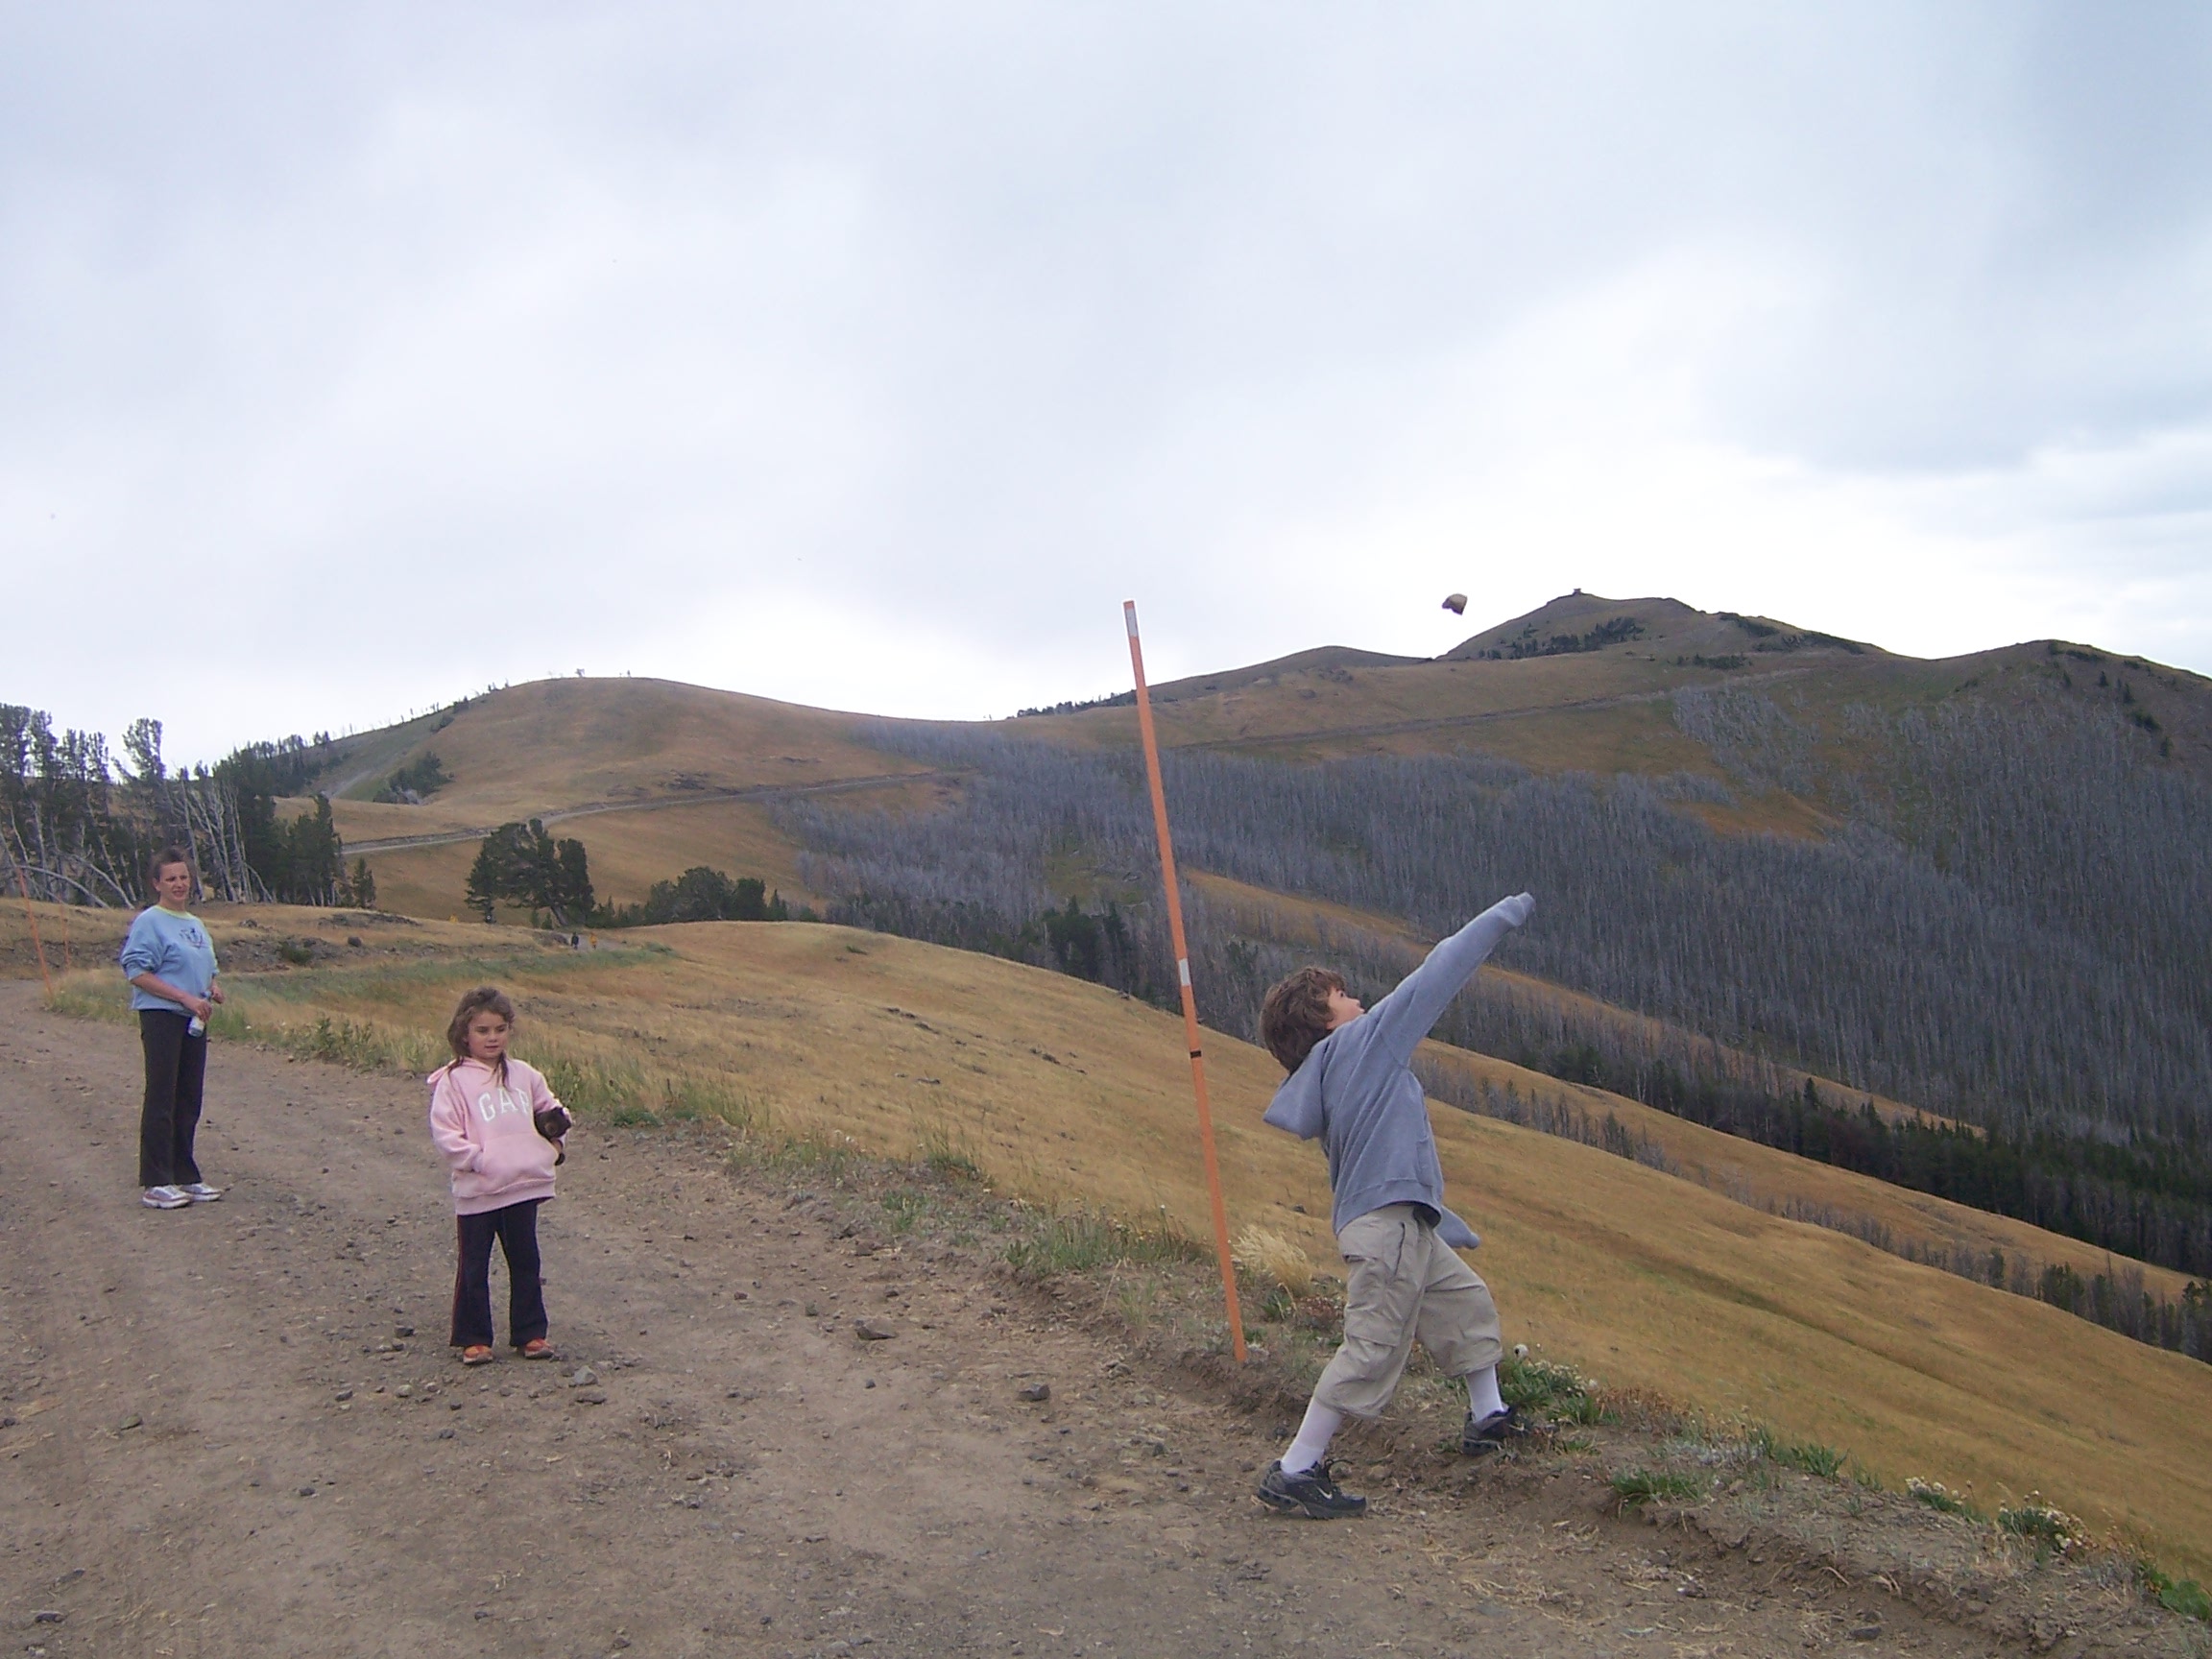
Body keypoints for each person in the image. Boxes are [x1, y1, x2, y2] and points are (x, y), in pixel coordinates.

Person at [1253, 892, 1537, 1520]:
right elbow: (1440, 969)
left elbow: (1380, 1165)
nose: (1358, 1001)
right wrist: (1502, 913)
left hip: (1396, 1224)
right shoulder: (1364, 1045)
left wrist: (1437, 1220)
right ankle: (1297, 1466)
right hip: (1388, 1233)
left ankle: (1487, 1416)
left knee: (1465, 1304)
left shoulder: (1332, 1074)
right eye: (1344, 997)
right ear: (1330, 1021)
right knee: (1372, 1347)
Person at [427, 986, 569, 1365]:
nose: (492, 1038)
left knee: (526, 1262)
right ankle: (474, 1337)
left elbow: (552, 1110)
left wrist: (554, 1144)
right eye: (483, 1031)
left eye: (500, 1029)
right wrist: (477, 1161)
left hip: (523, 1187)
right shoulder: (453, 1081)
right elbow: (445, 1132)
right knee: (474, 1265)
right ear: (463, 1033)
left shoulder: (525, 1075)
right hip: (479, 1192)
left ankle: (531, 1333)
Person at [120, 847, 226, 1210]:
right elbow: (137, 972)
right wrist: (183, 997)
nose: (179, 884)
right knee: (162, 1095)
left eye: (183, 877)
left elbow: (208, 966)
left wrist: (212, 986)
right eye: (171, 879)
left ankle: (185, 1172)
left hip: (194, 1018)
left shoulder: (195, 924)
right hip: (162, 1015)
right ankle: (156, 1180)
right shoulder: (150, 921)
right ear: (157, 884)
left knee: (188, 1097)